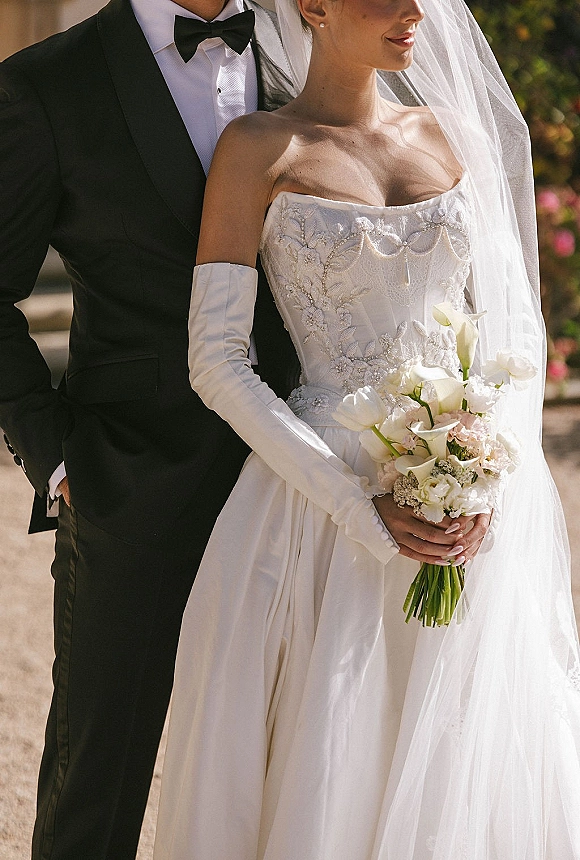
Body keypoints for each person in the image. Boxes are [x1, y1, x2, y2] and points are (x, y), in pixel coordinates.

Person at [153, 0, 580, 856]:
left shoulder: (451, 135)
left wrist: (485, 466)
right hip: (320, 511)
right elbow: (216, 360)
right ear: (311, 4)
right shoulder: (258, 150)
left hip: (467, 505)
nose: (416, 11)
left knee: (464, 765)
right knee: (328, 766)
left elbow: (510, 331)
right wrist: (355, 504)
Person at [0, 0, 306, 857]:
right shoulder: (46, 85)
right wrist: (59, 460)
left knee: (296, 769)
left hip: (300, 477)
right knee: (98, 777)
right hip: (130, 484)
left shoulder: (313, 52)